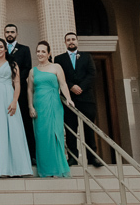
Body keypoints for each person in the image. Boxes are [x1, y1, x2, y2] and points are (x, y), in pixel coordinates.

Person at [0, 38, 32, 177]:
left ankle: (17, 167)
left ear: (5, 49)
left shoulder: (13, 64)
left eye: (0, 47)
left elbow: (17, 84)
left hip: (8, 97)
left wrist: (14, 101)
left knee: (12, 129)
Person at [28, 41, 73, 178]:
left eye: (43, 51)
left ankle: (57, 168)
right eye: (38, 51)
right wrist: (30, 106)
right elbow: (30, 90)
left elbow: (63, 84)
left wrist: (69, 98)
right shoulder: (33, 71)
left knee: (55, 134)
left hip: (53, 104)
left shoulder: (56, 67)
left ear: (49, 53)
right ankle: (46, 170)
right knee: (42, 136)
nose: (40, 54)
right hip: (39, 106)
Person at [54, 32, 100, 166]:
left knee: (89, 128)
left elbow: (92, 74)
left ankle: (92, 157)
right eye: (68, 40)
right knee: (71, 129)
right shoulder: (59, 59)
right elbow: (59, 77)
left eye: (73, 39)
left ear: (77, 41)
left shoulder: (87, 57)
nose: (71, 41)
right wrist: (71, 86)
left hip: (86, 98)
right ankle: (72, 156)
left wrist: (81, 87)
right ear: (65, 43)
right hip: (69, 99)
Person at [4, 23, 35, 161]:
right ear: (4, 34)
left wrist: (15, 81)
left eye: (12, 32)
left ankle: (31, 154)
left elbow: (27, 67)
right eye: (7, 32)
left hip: (20, 89)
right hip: (4, 89)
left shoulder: (24, 49)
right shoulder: (1, 49)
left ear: (16, 34)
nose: (10, 34)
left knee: (25, 120)